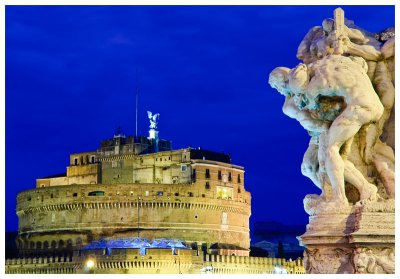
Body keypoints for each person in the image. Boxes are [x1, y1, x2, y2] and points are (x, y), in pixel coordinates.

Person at [288, 55, 384, 205]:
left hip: (358, 109)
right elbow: (362, 64)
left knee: (331, 150)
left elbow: (312, 106)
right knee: (339, 155)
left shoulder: (315, 86)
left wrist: (303, 99)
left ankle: (339, 198)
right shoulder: (334, 63)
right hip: (375, 106)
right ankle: (364, 189)